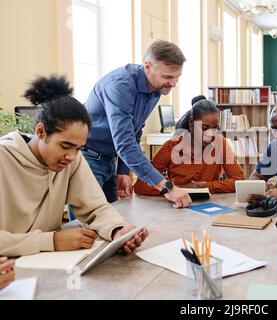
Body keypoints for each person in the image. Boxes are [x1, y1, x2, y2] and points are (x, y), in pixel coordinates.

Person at [0, 75, 148, 257]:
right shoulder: (4, 158)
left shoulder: (71, 160)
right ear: (40, 132)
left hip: (46, 263)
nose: (71, 156)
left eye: (79, 148)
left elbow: (96, 208)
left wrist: (118, 230)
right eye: (65, 146)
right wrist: (51, 241)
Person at [83, 39, 191, 208]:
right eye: (168, 77)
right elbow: (125, 144)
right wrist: (167, 187)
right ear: (148, 66)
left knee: (113, 220)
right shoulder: (120, 86)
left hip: (110, 159)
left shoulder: (156, 88)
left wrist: (123, 171)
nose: (173, 84)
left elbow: (135, 131)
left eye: (177, 78)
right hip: (86, 158)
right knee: (87, 225)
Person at [134, 96, 245, 195]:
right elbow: (140, 186)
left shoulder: (220, 144)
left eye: (214, 128)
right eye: (204, 128)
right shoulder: (171, 147)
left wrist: (205, 186)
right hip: (177, 208)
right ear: (191, 123)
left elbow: (239, 180)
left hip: (209, 206)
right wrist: (175, 189)